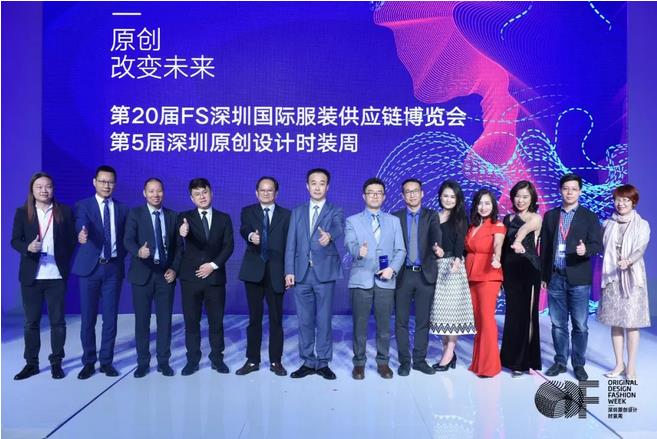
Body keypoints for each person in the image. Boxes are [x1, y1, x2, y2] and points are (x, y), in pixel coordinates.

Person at [11, 172, 76, 380]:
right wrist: (28, 247)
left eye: (48, 186)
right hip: (32, 276)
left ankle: (56, 362)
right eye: (39, 186)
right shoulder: (23, 212)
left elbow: (71, 241)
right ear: (32, 189)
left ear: (53, 189)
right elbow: (15, 240)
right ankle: (31, 364)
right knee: (31, 322)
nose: (44, 190)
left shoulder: (64, 211)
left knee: (58, 322)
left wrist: (63, 256)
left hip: (56, 275)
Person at [540, 173, 603, 381]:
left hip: (579, 278)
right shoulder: (550, 216)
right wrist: (544, 275)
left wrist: (586, 250)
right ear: (560, 190)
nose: (569, 192)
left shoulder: (589, 216)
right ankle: (560, 361)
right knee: (558, 324)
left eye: (574, 189)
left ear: (580, 192)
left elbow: (597, 244)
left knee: (580, 325)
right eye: (566, 188)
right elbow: (545, 248)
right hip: (555, 277)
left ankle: (578, 364)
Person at [285, 168, 344, 380]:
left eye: (322, 183)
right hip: (301, 274)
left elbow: (338, 228)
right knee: (304, 320)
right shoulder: (297, 211)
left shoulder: (335, 210)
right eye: (313, 183)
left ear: (327, 187)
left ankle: (324, 361)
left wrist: (330, 236)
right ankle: (308, 361)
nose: (317, 187)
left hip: (324, 273)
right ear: (307, 186)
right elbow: (291, 244)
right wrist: (289, 271)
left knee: (324, 320)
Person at [72, 165, 129, 379]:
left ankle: (106, 362)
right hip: (90, 270)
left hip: (113, 268)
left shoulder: (123, 209)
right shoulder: (83, 205)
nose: (107, 185)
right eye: (103, 181)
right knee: (88, 319)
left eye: (110, 182)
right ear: (94, 182)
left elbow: (126, 238)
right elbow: (81, 222)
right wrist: (82, 233)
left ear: (115, 184)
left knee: (110, 319)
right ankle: (88, 362)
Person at [345, 178, 406, 379]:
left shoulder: (393, 221)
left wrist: (392, 269)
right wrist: (358, 251)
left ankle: (383, 362)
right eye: (370, 192)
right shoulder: (352, 220)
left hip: (385, 280)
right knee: (360, 325)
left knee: (384, 326)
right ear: (364, 196)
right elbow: (349, 244)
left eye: (379, 192)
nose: (374, 195)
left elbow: (401, 250)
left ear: (384, 196)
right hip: (361, 278)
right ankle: (359, 363)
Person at [124, 178, 182, 378]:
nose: (155, 195)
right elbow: (128, 240)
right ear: (144, 193)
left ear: (163, 193)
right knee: (142, 322)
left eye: (159, 191)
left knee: (165, 321)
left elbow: (179, 247)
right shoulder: (135, 214)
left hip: (165, 276)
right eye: (151, 191)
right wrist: (138, 252)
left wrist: (174, 269)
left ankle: (163, 362)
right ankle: (143, 362)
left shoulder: (172, 216)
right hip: (142, 275)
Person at [177, 178, 234, 376]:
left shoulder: (224, 218)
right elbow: (177, 244)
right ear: (191, 198)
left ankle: (217, 359)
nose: (202, 197)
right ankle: (192, 360)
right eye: (197, 194)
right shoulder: (184, 218)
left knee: (216, 322)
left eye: (204, 192)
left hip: (215, 278)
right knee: (191, 322)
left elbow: (229, 246)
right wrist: (181, 232)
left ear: (211, 193)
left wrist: (212, 265)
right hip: (190, 279)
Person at [236, 176, 291, 377]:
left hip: (277, 272)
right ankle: (252, 360)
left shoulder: (287, 215)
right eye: (262, 190)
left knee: (276, 319)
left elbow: (290, 246)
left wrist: (289, 271)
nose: (266, 193)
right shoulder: (248, 211)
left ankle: (276, 361)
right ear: (256, 192)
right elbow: (244, 229)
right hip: (253, 272)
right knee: (254, 318)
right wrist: (251, 236)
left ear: (276, 193)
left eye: (270, 190)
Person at [597, 184, 650, 380]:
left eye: (626, 200)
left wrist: (629, 261)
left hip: (632, 278)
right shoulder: (607, 224)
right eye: (618, 199)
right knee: (615, 322)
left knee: (631, 323)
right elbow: (601, 246)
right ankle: (619, 364)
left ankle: (631, 367)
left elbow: (640, 249)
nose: (621, 203)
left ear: (633, 202)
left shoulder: (642, 224)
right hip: (612, 277)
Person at [392, 178, 441, 376]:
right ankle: (404, 361)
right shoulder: (395, 217)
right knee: (401, 321)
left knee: (423, 321)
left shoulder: (431, 216)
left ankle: (419, 360)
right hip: (403, 275)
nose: (412, 195)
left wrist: (437, 247)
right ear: (403, 195)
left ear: (422, 193)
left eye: (415, 191)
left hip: (424, 275)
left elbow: (436, 236)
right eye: (408, 191)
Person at [429, 180, 476, 371]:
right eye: (445, 195)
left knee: (452, 314)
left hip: (453, 268)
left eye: (452, 196)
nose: (448, 199)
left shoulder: (461, 218)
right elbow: (429, 241)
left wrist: (456, 260)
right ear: (440, 196)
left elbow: (460, 243)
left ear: (458, 199)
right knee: (440, 313)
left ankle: (448, 353)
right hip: (435, 267)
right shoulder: (433, 216)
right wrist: (435, 249)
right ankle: (448, 352)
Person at [500, 181, 542, 376]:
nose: (521, 200)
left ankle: (524, 362)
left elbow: (524, 230)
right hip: (510, 273)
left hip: (529, 270)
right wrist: (499, 274)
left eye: (525, 196)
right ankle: (508, 359)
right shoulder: (507, 219)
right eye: (517, 196)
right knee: (512, 316)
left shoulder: (536, 218)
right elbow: (502, 248)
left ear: (532, 198)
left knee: (527, 316)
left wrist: (518, 242)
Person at [465, 188, 506, 378]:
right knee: (479, 321)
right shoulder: (472, 226)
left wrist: (497, 258)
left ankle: (490, 367)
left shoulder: (497, 225)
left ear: (493, 205)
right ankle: (478, 363)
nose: (483, 207)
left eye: (487, 203)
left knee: (487, 319)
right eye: (480, 203)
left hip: (488, 274)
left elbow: (498, 245)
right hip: (471, 274)